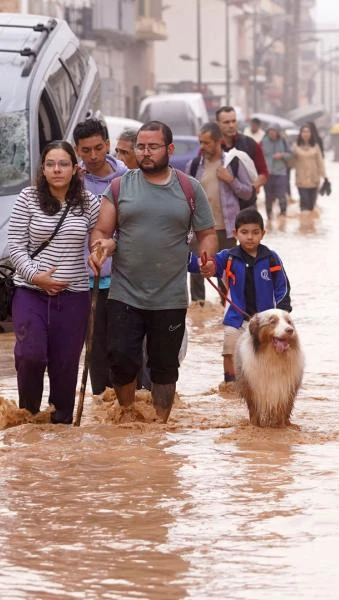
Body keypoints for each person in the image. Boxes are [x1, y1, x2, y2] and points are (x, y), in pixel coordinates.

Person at [89, 121, 218, 423]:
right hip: (125, 293)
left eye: (153, 147)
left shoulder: (189, 188)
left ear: (169, 149)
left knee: (164, 367)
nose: (145, 153)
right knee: (121, 359)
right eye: (141, 147)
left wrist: (207, 257)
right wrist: (101, 247)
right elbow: (102, 230)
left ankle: (160, 426)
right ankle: (127, 415)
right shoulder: (120, 186)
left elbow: (207, 232)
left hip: (170, 297)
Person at [8, 141, 100, 424]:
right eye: (50, 164)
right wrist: (36, 277)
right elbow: (14, 246)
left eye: (63, 164)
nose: (57, 169)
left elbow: (103, 235)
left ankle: (60, 427)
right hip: (30, 291)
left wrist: (98, 252)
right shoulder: (27, 198)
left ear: (75, 169)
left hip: (74, 297)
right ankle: (29, 418)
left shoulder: (89, 202)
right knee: (30, 355)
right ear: (43, 169)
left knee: (65, 366)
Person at [199, 208, 291, 383]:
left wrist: (282, 315)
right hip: (236, 319)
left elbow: (283, 288)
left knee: (268, 354)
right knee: (229, 352)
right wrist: (203, 264)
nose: (250, 237)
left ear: (263, 233)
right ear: (235, 233)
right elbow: (208, 265)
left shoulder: (271, 258)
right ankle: (230, 386)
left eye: (255, 232)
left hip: (266, 322)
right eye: (244, 232)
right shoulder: (228, 258)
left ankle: (265, 385)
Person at [73, 118, 126, 396]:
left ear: (108, 145)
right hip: (85, 281)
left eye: (98, 148)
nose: (93, 156)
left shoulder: (127, 179)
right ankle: (101, 404)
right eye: (85, 150)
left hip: (122, 280)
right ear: (77, 150)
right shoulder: (72, 182)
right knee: (94, 350)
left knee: (123, 347)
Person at [187, 122, 253, 304]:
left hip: (227, 228)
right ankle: (198, 311)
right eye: (200, 142)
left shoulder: (233, 163)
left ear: (219, 142)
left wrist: (230, 180)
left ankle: (227, 309)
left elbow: (248, 192)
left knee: (226, 272)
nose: (202, 147)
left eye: (206, 143)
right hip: (200, 228)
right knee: (197, 272)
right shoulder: (193, 165)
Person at [215, 106, 268, 209]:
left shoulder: (250, 144)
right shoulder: (212, 147)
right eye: (226, 122)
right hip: (221, 206)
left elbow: (263, 173)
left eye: (234, 121)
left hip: (247, 204)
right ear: (218, 124)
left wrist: (251, 189)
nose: (231, 125)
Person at [292, 123, 325, 214]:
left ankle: (310, 226)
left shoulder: (316, 146)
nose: (306, 134)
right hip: (301, 180)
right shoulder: (295, 147)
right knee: (304, 204)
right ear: (300, 134)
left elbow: (320, 162)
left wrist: (325, 177)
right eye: (303, 132)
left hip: (314, 180)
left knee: (311, 206)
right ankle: (303, 226)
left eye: (308, 132)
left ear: (311, 134)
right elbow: (291, 164)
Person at [260, 125, 290, 220]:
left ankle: (283, 216)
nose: (272, 133)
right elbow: (257, 156)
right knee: (268, 197)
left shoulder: (283, 141)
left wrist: (282, 155)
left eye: (274, 131)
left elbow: (291, 154)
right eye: (270, 131)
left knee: (282, 195)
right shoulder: (263, 142)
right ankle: (269, 217)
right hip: (267, 173)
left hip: (281, 172)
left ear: (278, 132)